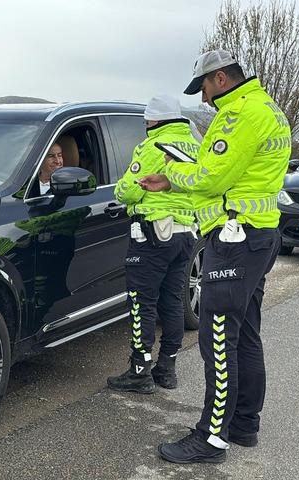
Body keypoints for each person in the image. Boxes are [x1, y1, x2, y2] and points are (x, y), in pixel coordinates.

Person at [138, 50, 290, 464]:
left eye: (204, 87)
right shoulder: (269, 109)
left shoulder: (240, 114)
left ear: (221, 78)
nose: (203, 100)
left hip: (235, 235)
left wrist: (172, 175)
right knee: (245, 332)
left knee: (218, 336)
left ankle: (212, 438)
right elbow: (231, 173)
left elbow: (209, 177)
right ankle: (243, 425)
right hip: (258, 233)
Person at [106, 94, 198, 394]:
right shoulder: (194, 143)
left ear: (154, 120)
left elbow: (128, 191)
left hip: (153, 235)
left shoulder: (152, 145)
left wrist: (122, 188)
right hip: (186, 234)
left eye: (147, 120)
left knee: (142, 303)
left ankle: (139, 372)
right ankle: (167, 368)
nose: (146, 124)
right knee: (171, 302)